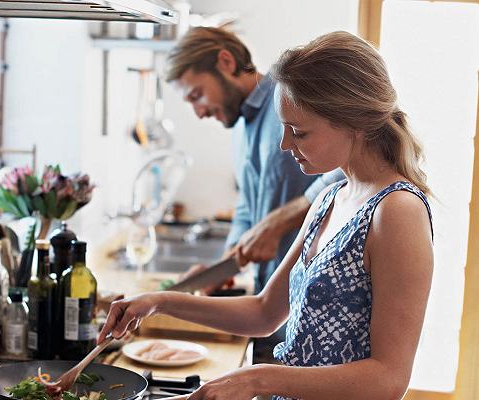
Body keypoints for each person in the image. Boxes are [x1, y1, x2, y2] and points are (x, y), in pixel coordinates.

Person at [99, 31, 434, 400]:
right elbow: (263, 312)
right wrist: (158, 302)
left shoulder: (398, 211)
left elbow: (388, 380)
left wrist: (259, 379)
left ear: (353, 122)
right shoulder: (329, 198)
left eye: (299, 132)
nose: (285, 144)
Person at [165, 27, 343, 362]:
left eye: (196, 95)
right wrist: (227, 262)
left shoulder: (290, 99)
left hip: (311, 309)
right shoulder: (239, 128)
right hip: (268, 312)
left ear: (226, 62)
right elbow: (248, 205)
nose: (199, 112)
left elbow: (345, 170)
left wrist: (281, 220)